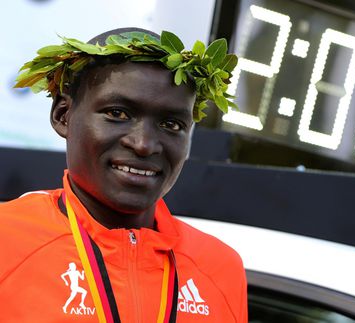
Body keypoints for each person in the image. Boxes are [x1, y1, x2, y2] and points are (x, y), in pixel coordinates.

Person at [0, 28, 247, 322]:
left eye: (171, 124)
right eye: (118, 114)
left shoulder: (220, 266)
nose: (143, 145)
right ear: (63, 115)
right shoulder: (7, 239)